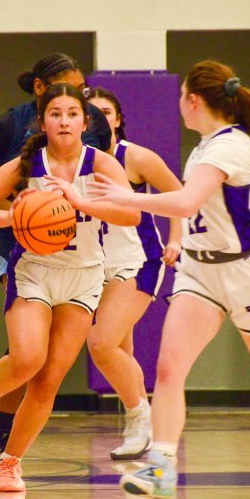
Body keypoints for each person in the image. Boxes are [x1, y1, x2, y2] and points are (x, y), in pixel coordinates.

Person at [89, 60, 250, 499]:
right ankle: (162, 466)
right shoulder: (204, 146)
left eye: (180, 96)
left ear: (193, 100)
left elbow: (186, 203)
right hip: (200, 271)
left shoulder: (231, 145)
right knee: (169, 368)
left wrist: (127, 197)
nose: (178, 104)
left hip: (248, 270)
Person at [0, 83, 140, 492]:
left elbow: (132, 216)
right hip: (35, 272)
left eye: (72, 114)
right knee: (26, 359)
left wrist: (80, 201)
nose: (64, 121)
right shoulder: (25, 165)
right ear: (42, 122)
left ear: (85, 121)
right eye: (55, 114)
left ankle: (9, 463)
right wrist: (13, 217)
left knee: (47, 381)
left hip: (84, 277)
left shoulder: (102, 165)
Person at [85, 87, 183, 460]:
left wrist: (176, 238)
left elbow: (178, 195)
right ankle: (141, 425)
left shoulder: (135, 156)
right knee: (119, 350)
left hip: (138, 260)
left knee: (101, 343)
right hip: (94, 266)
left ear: (118, 119)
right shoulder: (77, 160)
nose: (98, 117)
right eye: (91, 112)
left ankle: (142, 419)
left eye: (106, 111)